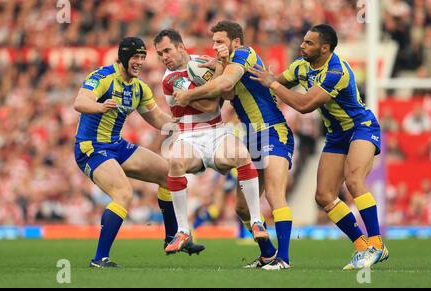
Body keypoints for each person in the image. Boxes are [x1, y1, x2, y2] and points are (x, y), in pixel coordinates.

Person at [248, 24, 389, 269]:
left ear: (325, 48)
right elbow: (272, 84)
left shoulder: (337, 71)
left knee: (354, 180)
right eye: (303, 41)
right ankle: (362, 246)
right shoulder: (300, 67)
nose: (302, 45)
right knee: (324, 196)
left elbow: (304, 105)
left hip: (361, 126)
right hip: (336, 135)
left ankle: (377, 245)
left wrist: (273, 84)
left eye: (308, 43)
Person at [73, 37, 204, 268]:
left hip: (117, 146)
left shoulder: (139, 88)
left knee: (169, 174)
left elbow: (157, 118)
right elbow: (80, 102)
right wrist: (100, 106)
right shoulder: (103, 77)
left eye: (143, 57)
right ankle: (99, 258)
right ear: (123, 57)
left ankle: (172, 238)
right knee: (123, 193)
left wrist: (184, 124)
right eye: (135, 57)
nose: (140, 62)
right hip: (91, 148)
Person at [174, 21, 294, 270]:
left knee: (274, 195)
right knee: (241, 207)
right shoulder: (229, 63)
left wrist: (188, 95)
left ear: (236, 42)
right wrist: (218, 66)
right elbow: (227, 95)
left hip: (272, 131)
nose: (215, 46)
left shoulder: (244, 53)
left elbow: (226, 86)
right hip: (251, 138)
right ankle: (268, 255)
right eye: (213, 41)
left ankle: (283, 259)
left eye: (219, 41)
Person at [153, 29, 269, 255]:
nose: (164, 57)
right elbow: (208, 106)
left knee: (242, 154)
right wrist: (218, 71)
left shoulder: (200, 62)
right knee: (175, 162)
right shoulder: (170, 79)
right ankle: (183, 231)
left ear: (181, 46)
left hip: (216, 131)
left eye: (167, 50)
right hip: (190, 135)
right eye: (160, 54)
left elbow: (227, 94)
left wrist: (220, 65)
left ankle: (256, 220)